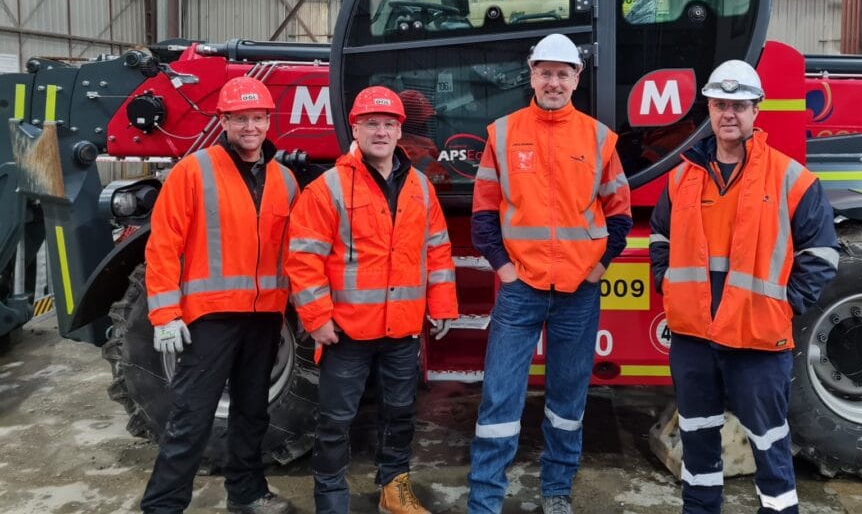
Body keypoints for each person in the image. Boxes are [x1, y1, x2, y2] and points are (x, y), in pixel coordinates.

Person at [648, 60, 840, 514]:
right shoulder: (682, 176)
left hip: (757, 336)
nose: (728, 113)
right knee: (697, 441)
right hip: (694, 337)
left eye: (738, 104)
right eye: (719, 104)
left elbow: (822, 252)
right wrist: (668, 284)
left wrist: (787, 302)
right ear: (709, 111)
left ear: (757, 110)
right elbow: (660, 237)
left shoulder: (789, 178)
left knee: (769, 441)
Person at [467, 33, 633, 514]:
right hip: (521, 290)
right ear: (532, 74)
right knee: (499, 398)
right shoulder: (501, 134)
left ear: (577, 79)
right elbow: (483, 215)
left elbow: (619, 214)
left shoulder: (599, 139)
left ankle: (556, 491)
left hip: (578, 291)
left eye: (564, 73)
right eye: (546, 72)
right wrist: (506, 271)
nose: (554, 81)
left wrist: (598, 268)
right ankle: (485, 499)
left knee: (568, 397)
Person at [286, 85, 458, 514]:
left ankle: (393, 491)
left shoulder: (420, 186)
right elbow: (304, 259)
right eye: (371, 124)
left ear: (401, 132)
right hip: (345, 332)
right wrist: (317, 318)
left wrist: (442, 306)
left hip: (402, 329)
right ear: (355, 129)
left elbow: (436, 250)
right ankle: (330, 499)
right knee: (335, 422)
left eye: (389, 125)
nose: (381, 132)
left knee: (400, 415)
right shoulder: (329, 188)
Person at [141, 76, 298, 514]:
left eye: (258, 118)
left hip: (265, 317)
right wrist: (165, 314)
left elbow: (295, 253)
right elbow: (163, 245)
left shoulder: (285, 180)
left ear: (269, 121)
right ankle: (162, 506)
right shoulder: (194, 171)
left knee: (252, 414)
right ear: (224, 121)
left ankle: (247, 494)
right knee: (191, 418)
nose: (251, 126)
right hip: (209, 319)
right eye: (241, 118)